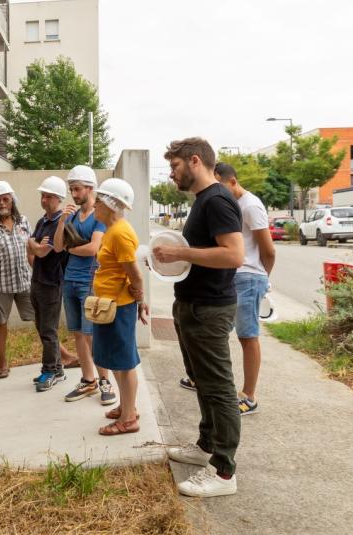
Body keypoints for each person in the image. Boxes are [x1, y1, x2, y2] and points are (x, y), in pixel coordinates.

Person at [154, 138, 245, 498]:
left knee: (219, 387)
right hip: (192, 304)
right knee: (201, 380)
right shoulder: (204, 201)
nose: (173, 174)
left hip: (210, 308)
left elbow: (233, 255)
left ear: (194, 161)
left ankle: (224, 471)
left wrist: (179, 251)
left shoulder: (218, 199)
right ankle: (206, 445)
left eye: (175, 167)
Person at [212, 162, 276, 415]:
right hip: (234, 276)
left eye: (220, 186)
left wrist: (262, 278)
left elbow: (268, 250)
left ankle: (249, 396)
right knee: (222, 331)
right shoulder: (232, 204)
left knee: (248, 336)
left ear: (232, 181)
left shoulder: (250, 205)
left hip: (249, 276)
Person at [88, 179, 149, 435]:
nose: (94, 206)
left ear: (111, 204)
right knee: (116, 359)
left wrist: (139, 299)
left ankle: (128, 419)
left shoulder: (120, 233)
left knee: (124, 362)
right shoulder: (112, 230)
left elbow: (135, 274)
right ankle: (128, 407)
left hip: (119, 305)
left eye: (98, 201)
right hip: (110, 304)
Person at [55, 165, 117, 407]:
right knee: (78, 334)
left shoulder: (98, 216)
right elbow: (58, 247)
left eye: (77, 189)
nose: (73, 193)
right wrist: (61, 222)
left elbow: (94, 249)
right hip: (69, 280)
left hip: (89, 282)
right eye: (71, 189)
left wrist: (72, 248)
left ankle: (104, 381)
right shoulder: (70, 216)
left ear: (90, 189)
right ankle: (88, 379)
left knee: (93, 335)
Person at [0, 181, 34, 379]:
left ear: (12, 201)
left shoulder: (23, 221)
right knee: (1, 321)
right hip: (1, 284)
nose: (2, 203)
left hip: (25, 281)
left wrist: (40, 275)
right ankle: (2, 363)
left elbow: (31, 251)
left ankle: (60, 354)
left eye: (5, 199)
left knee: (40, 318)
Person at [27, 176, 70, 391]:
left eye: (48, 196)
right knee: (41, 327)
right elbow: (32, 245)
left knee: (48, 329)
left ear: (59, 198)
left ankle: (50, 370)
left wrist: (33, 244)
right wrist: (33, 244)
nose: (44, 200)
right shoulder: (43, 221)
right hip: (37, 280)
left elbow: (42, 251)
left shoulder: (61, 223)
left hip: (52, 283)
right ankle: (58, 368)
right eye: (42, 196)